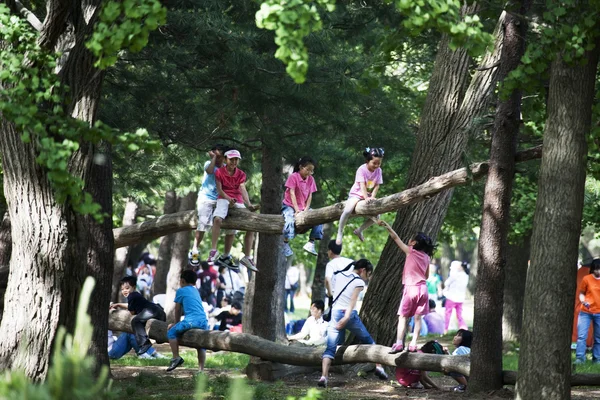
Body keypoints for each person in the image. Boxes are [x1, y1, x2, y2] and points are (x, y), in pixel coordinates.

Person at [318, 259, 388, 388]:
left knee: (330, 348)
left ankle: (324, 376)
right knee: (369, 340)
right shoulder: (358, 282)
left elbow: (329, 287)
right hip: (349, 315)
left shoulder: (338, 275)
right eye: (368, 273)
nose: (367, 277)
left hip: (335, 313)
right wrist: (346, 317)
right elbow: (352, 300)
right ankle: (379, 367)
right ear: (362, 270)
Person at [377, 220, 435, 353]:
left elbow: (395, 238)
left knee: (402, 316)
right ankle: (413, 343)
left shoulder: (410, 252)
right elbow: (426, 276)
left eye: (411, 238)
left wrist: (388, 227)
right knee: (418, 317)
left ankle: (398, 343)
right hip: (423, 289)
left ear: (414, 243)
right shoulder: (427, 257)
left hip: (411, 288)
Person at [211, 149, 259, 272]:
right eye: (231, 159)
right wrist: (228, 198)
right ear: (226, 159)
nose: (234, 162)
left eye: (236, 159)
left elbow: (242, 189)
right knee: (217, 219)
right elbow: (220, 190)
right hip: (223, 198)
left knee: (251, 224)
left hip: (237, 200)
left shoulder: (241, 174)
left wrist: (248, 204)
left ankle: (247, 257)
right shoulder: (219, 172)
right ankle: (213, 250)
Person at [335, 147, 384, 245]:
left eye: (379, 163)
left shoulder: (379, 171)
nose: (376, 165)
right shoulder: (361, 169)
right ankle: (339, 232)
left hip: (369, 196)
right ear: (367, 161)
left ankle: (360, 230)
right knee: (348, 210)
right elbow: (362, 185)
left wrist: (372, 197)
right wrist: (365, 198)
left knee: (378, 215)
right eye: (374, 163)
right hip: (357, 194)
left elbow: (377, 185)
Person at [109, 276, 166, 356]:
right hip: (158, 311)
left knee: (135, 321)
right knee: (139, 321)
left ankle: (144, 343)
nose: (124, 291)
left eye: (127, 288)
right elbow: (130, 306)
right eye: (122, 289)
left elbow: (132, 312)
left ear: (134, 287)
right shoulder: (135, 295)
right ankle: (159, 339)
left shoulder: (131, 296)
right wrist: (118, 304)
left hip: (151, 311)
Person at [166, 270, 209, 372]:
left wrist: (176, 323)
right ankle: (201, 370)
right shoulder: (195, 290)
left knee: (171, 332)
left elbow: (177, 309)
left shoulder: (181, 291)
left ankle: (176, 357)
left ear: (182, 281)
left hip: (191, 321)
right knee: (201, 345)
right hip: (203, 321)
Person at [282, 156, 323, 257]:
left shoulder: (311, 179)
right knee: (288, 218)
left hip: (303, 207)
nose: (309, 172)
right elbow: (292, 193)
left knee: (319, 216)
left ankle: (311, 242)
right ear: (301, 167)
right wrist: (296, 210)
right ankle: (285, 243)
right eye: (308, 169)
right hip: (289, 205)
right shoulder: (293, 177)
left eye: (311, 171)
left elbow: (310, 195)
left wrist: (305, 209)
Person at [192, 144, 226, 262]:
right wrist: (213, 159)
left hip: (219, 199)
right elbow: (210, 171)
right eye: (215, 156)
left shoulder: (226, 168)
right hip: (206, 198)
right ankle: (195, 250)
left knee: (220, 221)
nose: (218, 159)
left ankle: (220, 253)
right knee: (202, 224)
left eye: (219, 156)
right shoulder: (209, 163)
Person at [575, 259, 600, 364]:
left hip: (599, 313)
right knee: (581, 336)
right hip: (586, 312)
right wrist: (583, 301)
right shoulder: (586, 278)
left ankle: (597, 359)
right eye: (596, 269)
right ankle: (580, 358)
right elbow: (581, 293)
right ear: (592, 269)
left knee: (598, 338)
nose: (598, 271)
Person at [443, 260, 470, 334]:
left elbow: (446, 283)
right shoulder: (466, 276)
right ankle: (464, 328)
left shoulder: (455, 275)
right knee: (459, 315)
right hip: (460, 298)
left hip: (452, 297)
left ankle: (445, 329)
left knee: (448, 313)